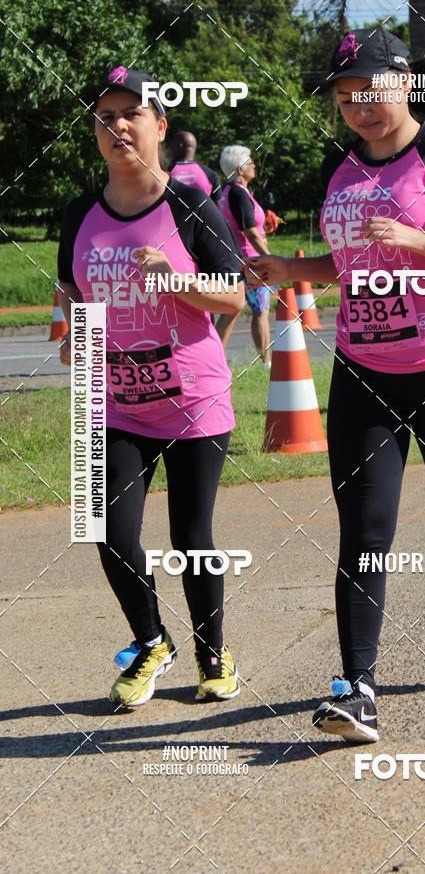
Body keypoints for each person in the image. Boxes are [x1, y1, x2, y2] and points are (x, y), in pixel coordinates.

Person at [247, 30, 425, 743]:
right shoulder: (342, 166)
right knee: (364, 531)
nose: (358, 108)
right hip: (364, 372)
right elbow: (346, 263)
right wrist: (291, 269)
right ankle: (357, 689)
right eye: (345, 98)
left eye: (370, 92)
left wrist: (421, 243)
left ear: (403, 83)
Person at [57, 67, 245, 708]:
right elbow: (76, 299)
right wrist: (76, 341)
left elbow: (234, 297)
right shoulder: (79, 214)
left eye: (131, 114)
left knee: (192, 536)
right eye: (106, 118)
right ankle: (151, 640)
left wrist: (173, 279)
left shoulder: (193, 207)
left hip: (194, 398)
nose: (118, 127)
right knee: (106, 525)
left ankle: (213, 656)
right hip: (113, 401)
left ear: (159, 126)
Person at [216, 145, 272, 368]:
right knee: (261, 312)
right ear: (239, 169)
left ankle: (215, 359)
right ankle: (266, 362)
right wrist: (271, 257)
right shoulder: (239, 193)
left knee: (232, 310)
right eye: (250, 162)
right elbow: (249, 231)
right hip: (250, 260)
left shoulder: (230, 191)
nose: (254, 165)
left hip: (236, 259)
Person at [169, 130, 222, 204]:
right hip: (202, 215)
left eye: (172, 146)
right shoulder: (211, 175)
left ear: (179, 146)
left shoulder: (165, 173)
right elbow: (218, 208)